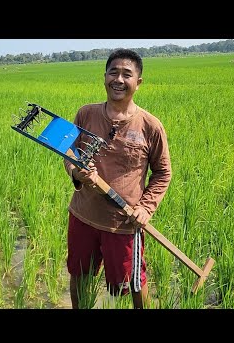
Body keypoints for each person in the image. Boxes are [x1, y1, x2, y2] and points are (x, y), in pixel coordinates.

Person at [63, 48, 172, 309]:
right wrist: (76, 171)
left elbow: (163, 172)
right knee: (79, 275)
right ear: (104, 77)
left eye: (127, 74)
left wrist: (146, 208)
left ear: (138, 82)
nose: (119, 80)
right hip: (83, 216)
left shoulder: (150, 126)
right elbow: (68, 151)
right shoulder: (85, 114)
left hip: (123, 222)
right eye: (113, 72)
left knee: (132, 282)